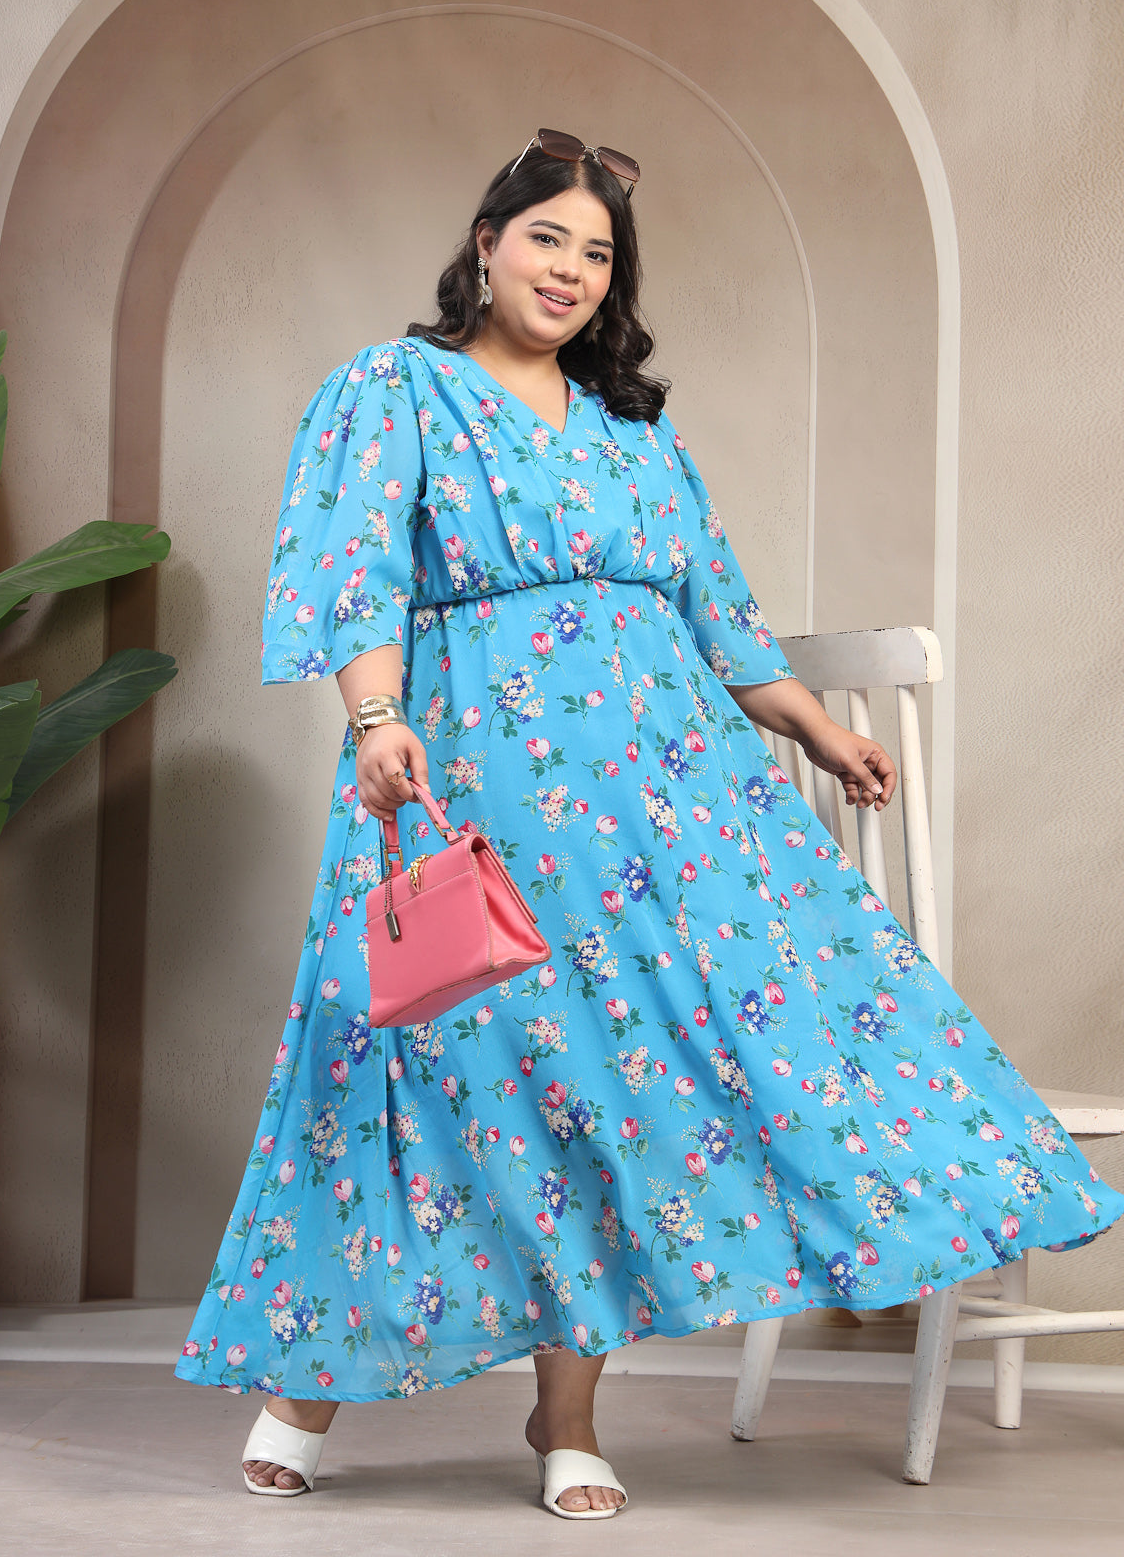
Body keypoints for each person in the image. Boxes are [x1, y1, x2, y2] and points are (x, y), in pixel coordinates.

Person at [175, 128, 1123, 1518]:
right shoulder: (397, 388)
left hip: (662, 807)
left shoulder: (632, 428)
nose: (569, 270)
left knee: (607, 1088)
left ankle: (568, 1421)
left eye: (598, 254)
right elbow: (352, 563)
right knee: (412, 1068)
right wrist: (376, 718)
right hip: (474, 782)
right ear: (487, 243)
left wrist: (809, 723)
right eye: (546, 237)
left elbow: (712, 604)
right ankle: (304, 1393)